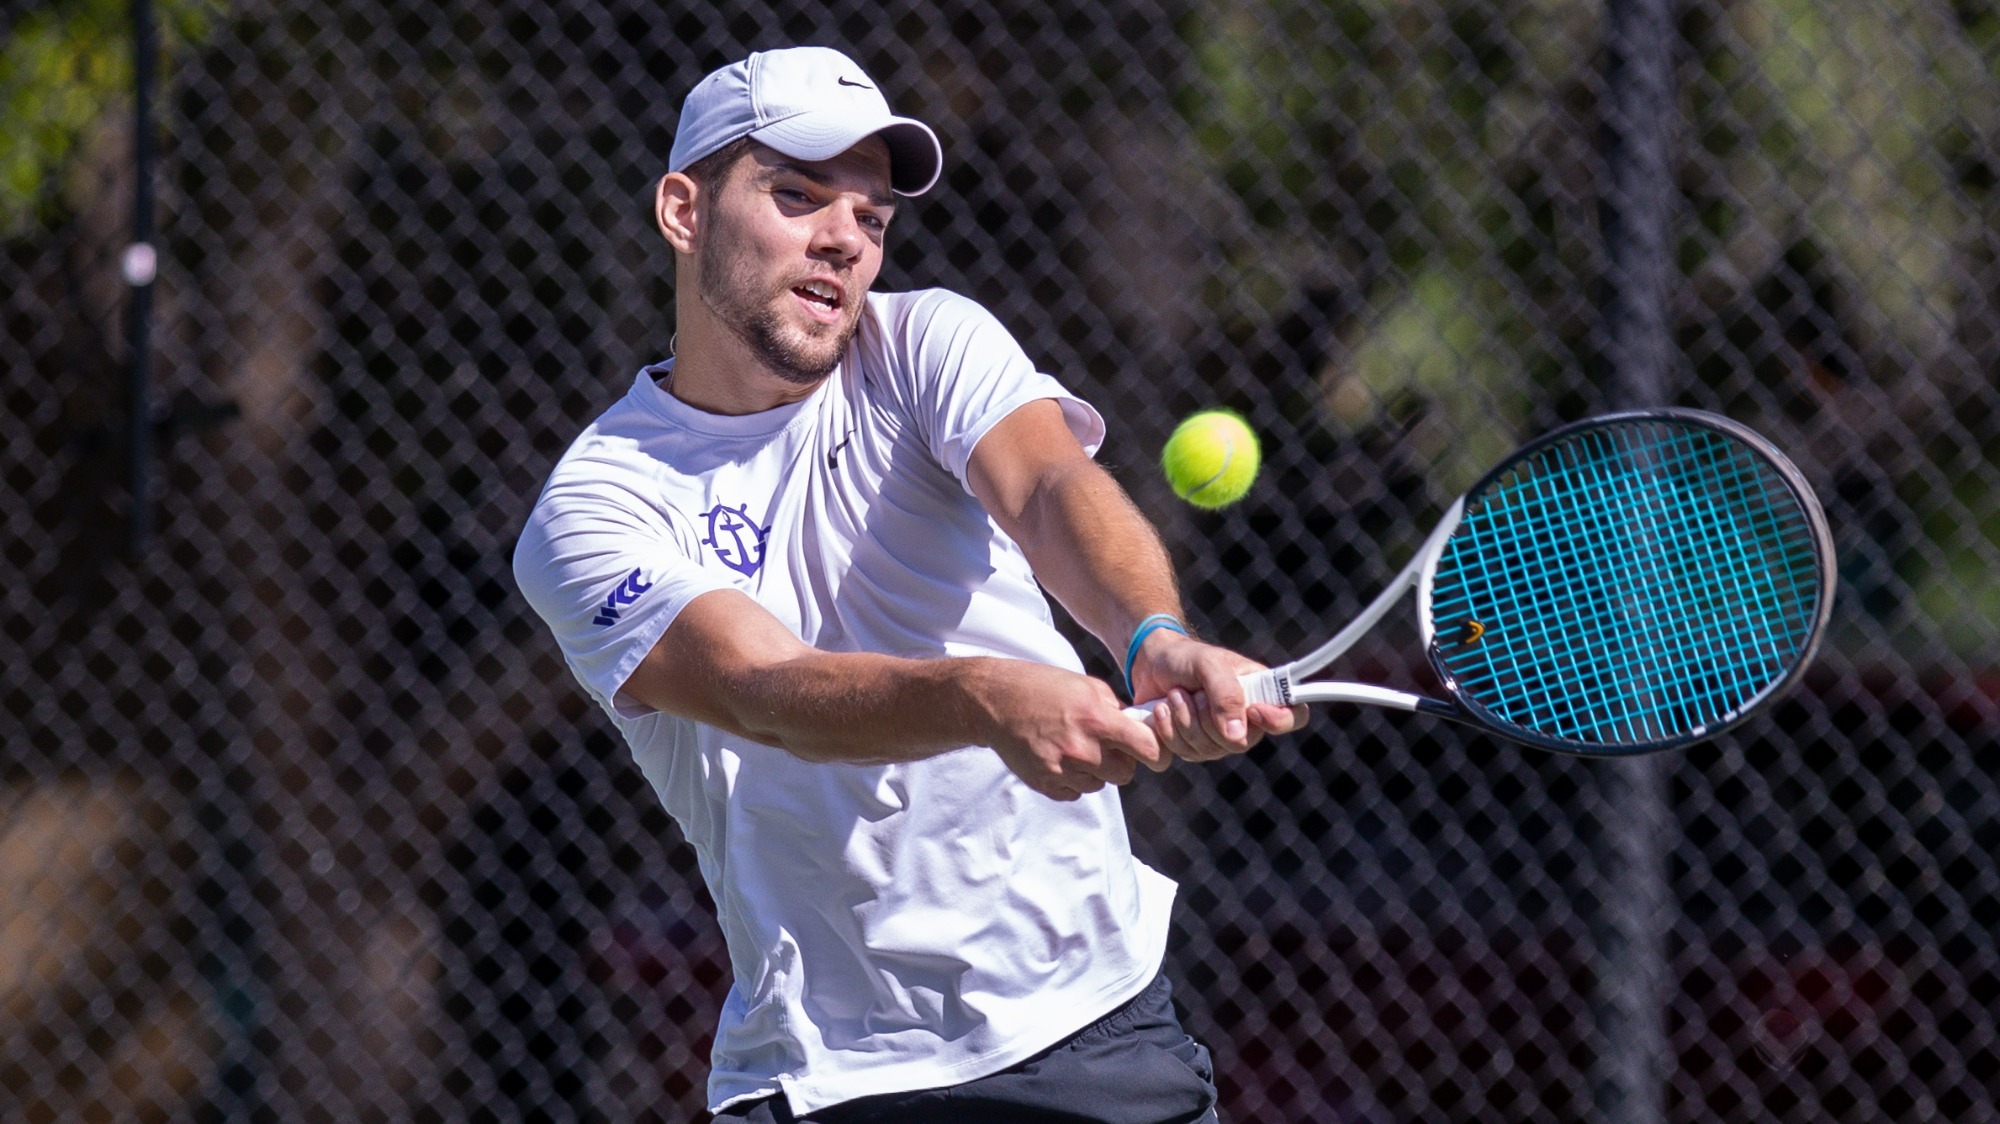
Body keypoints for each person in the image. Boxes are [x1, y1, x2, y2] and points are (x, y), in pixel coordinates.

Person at [513, 46, 1303, 1123]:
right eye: (796, 195)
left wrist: (1151, 637)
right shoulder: (592, 510)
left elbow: (1044, 484)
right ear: (683, 210)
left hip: (1093, 1021)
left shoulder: (923, 341)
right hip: (833, 1072)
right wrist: (984, 697)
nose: (844, 235)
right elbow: (764, 687)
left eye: (871, 216)